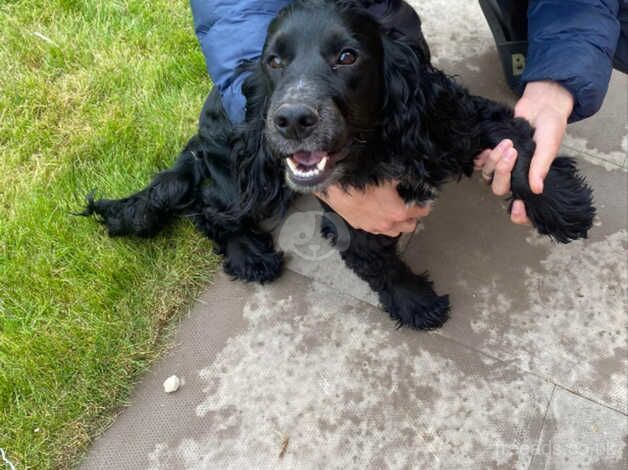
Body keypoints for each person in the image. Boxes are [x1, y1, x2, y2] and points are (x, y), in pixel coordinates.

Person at [190, 0, 627, 237]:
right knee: (250, 192)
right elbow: (235, 15)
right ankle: (226, 231)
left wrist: (556, 82)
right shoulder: (271, 89)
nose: (295, 109)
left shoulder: (399, 76)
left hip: (379, 50)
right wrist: (337, 194)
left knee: (411, 91)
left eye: (345, 58)